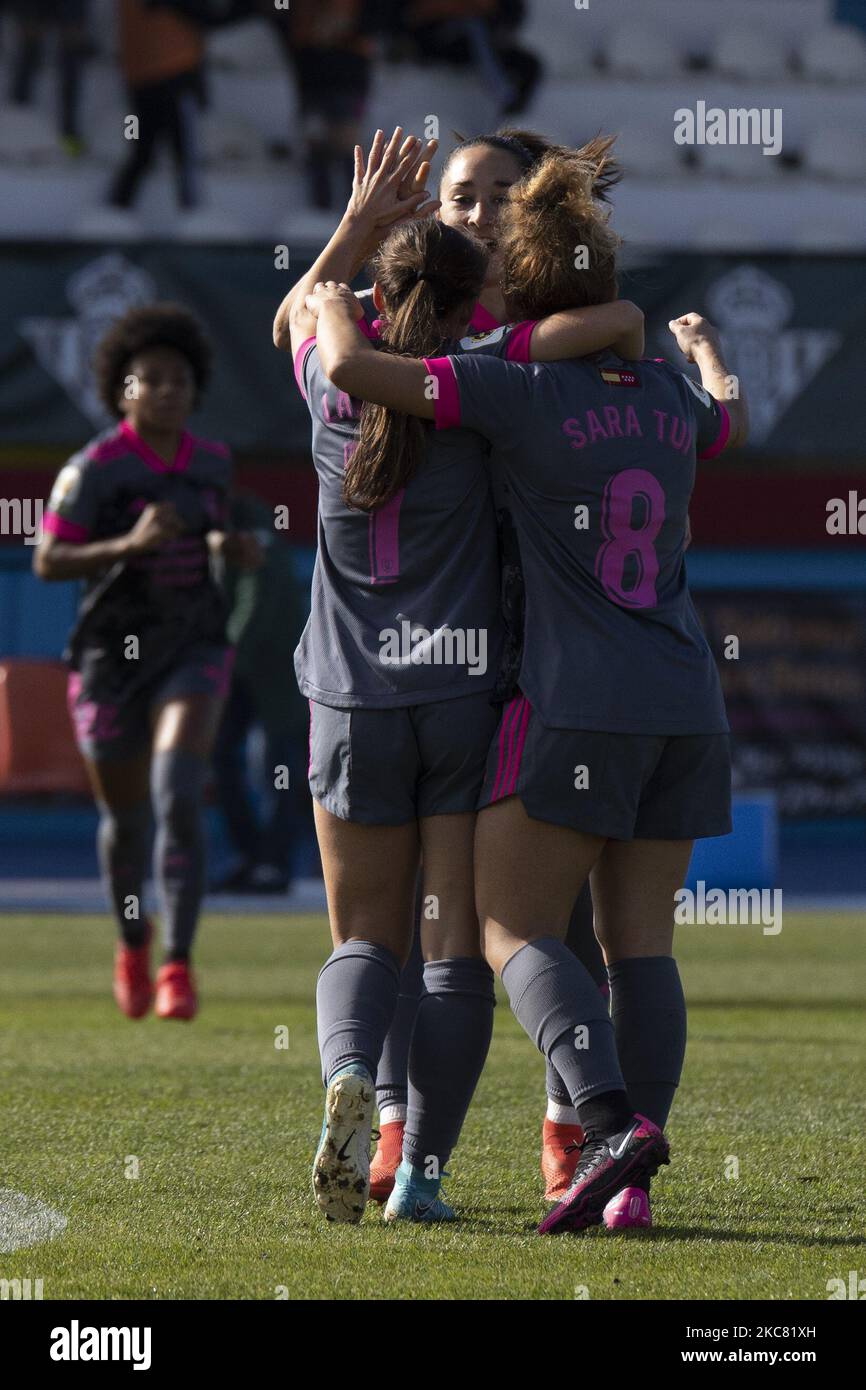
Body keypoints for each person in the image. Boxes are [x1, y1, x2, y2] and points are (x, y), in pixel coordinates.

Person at [303, 143, 748, 1232]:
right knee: (627, 948)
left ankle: (480, 1117)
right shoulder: (654, 396)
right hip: (669, 696)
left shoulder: (488, 386)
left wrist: (337, 279)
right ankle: (592, 1178)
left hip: (510, 696)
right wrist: (695, 348)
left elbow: (342, 360)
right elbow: (702, 399)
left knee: (479, 937)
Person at [273, 126, 629, 1205]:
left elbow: (300, 319)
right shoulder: (492, 368)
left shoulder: (344, 357)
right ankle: (427, 1157)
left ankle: (361, 1093)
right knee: (467, 949)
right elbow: (619, 325)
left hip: (350, 687)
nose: (471, 209)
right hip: (485, 685)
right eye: (460, 199)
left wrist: (353, 234)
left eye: (490, 194)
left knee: (366, 936)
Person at [34, 304, 259, 1022]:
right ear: (121, 391)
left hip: (193, 647)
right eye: (150, 379)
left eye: (180, 380)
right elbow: (46, 560)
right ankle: (134, 942)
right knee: (127, 821)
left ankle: (178, 966)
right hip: (109, 657)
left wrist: (236, 548)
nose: (167, 390)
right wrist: (126, 546)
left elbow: (227, 534)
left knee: (177, 793)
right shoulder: (93, 470)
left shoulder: (214, 463)